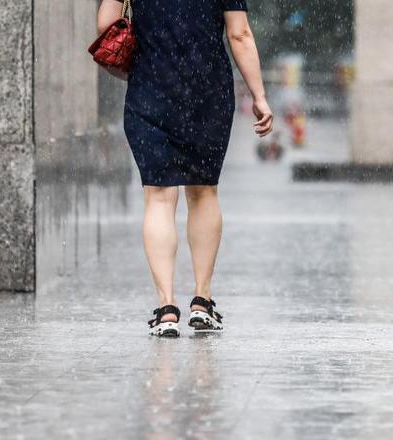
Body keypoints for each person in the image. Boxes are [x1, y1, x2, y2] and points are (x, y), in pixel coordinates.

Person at [97, 0, 274, 337]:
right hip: (207, 91)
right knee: (204, 191)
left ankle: (166, 310)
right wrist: (259, 96)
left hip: (149, 88)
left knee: (159, 197)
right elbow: (239, 34)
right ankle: (202, 301)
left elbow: (107, 23)